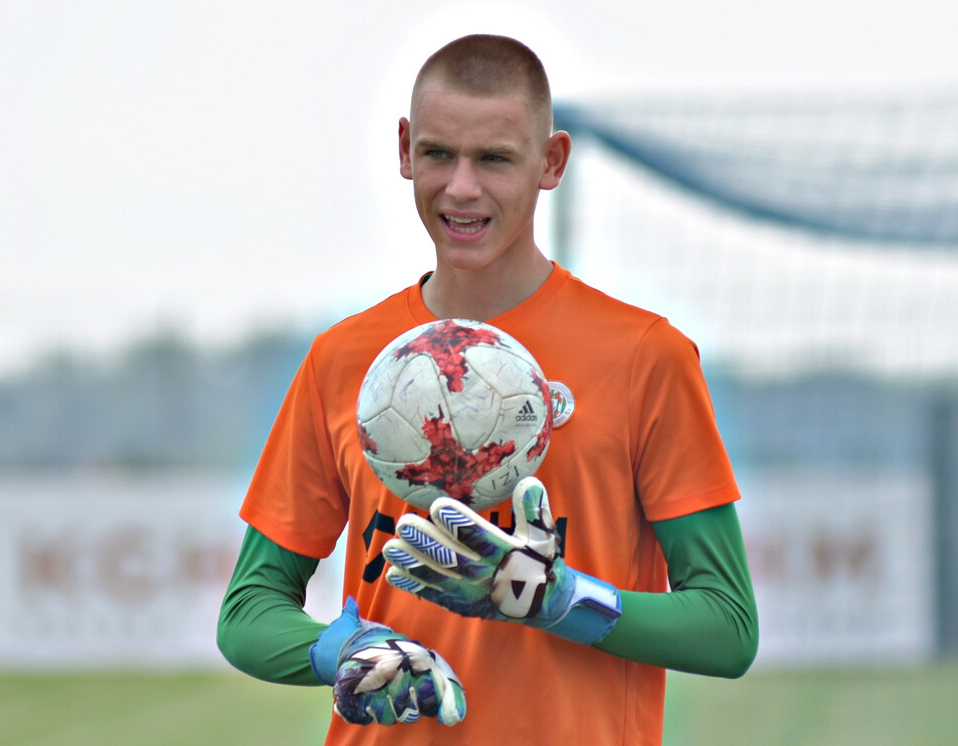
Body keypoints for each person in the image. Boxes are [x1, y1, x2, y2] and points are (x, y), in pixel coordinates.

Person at [217, 33, 758, 745]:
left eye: (495, 159)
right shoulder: (343, 359)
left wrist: (559, 600)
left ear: (550, 162)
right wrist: (341, 652)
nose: (462, 188)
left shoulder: (645, 356)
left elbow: (727, 627)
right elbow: (248, 610)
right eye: (440, 154)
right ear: (405, 149)